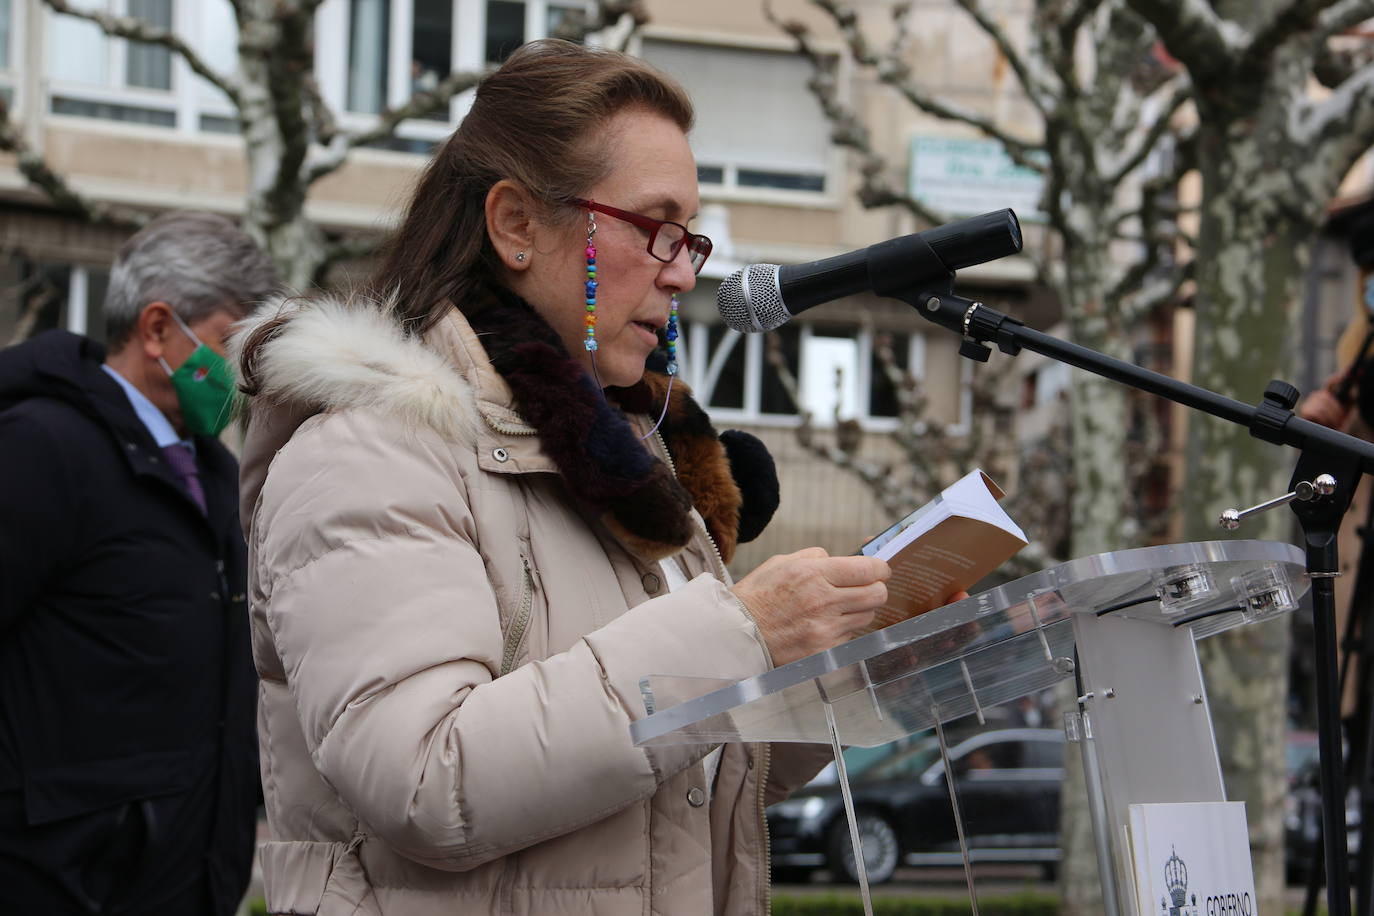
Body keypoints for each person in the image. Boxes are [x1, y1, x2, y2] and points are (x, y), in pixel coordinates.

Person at [231, 40, 906, 915]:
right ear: (516, 224)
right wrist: (739, 635)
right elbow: (428, 781)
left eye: (691, 237)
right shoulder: (367, 451)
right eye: (655, 226)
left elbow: (690, 777)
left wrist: (848, 657)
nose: (683, 270)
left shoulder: (626, 456)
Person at [0, 212, 280, 915]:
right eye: (230, 346)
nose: (244, 379)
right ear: (158, 331)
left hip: (187, 875)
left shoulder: (215, 472)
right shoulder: (39, 448)